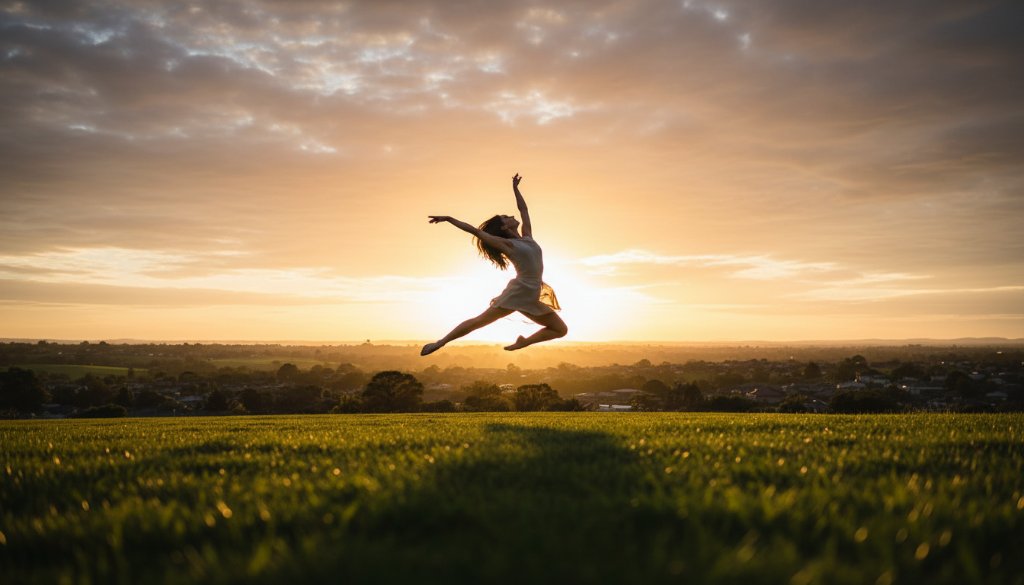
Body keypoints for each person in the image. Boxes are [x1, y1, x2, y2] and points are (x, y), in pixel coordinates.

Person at [422, 173, 568, 356]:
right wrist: (450, 219)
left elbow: (524, 210)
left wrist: (515, 188)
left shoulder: (528, 237)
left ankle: (524, 342)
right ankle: (440, 343)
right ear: (504, 227)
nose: (512, 216)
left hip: (531, 294)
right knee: (479, 321)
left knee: (560, 330)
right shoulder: (507, 244)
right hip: (520, 290)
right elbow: (475, 231)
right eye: (506, 217)